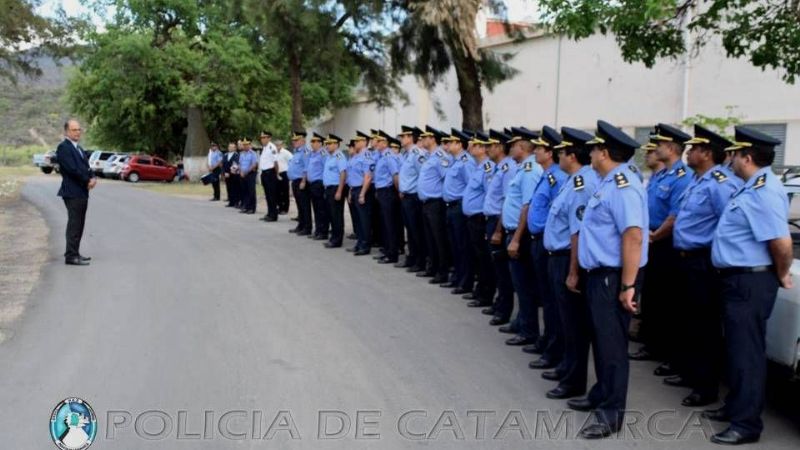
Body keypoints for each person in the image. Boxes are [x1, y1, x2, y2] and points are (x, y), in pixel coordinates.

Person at [705, 126, 792, 446]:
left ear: (748, 157)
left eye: (734, 155)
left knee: (747, 354)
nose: (730, 160)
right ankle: (735, 407)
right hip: (737, 279)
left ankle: (747, 424)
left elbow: (781, 243)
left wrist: (781, 274)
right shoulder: (750, 187)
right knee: (736, 350)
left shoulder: (764, 191)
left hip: (751, 280)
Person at [571, 120, 647, 439]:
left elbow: (632, 235)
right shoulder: (606, 182)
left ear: (604, 152)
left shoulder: (622, 185)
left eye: (593, 149)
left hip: (613, 276)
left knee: (613, 346)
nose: (589, 153)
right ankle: (601, 393)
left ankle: (612, 413)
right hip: (598, 274)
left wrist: (628, 286)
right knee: (602, 342)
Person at [671, 125, 742, 408]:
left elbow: (728, 224)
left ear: (707, 153)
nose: (688, 153)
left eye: (693, 149)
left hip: (704, 261)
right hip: (686, 259)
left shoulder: (721, 183)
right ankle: (692, 374)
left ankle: (706, 386)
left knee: (706, 326)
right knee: (690, 322)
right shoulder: (698, 180)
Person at [634, 124, 693, 382]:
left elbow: (675, 215)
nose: (655, 148)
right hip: (651, 239)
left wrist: (655, 236)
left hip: (664, 242)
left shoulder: (682, 176)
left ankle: (669, 353)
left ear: (670, 148)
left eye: (659, 144)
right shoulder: (661, 175)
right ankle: (653, 344)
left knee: (669, 301)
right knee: (653, 296)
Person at [545, 127, 600, 400]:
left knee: (574, 325)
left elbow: (577, 232)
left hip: (569, 258)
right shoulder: (574, 179)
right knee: (566, 321)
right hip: (561, 258)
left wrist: (573, 271)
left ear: (572, 156)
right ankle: (568, 368)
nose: (558, 157)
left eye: (562, 152)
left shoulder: (582, 184)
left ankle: (573, 381)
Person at [526, 126, 568, 371]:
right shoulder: (546, 174)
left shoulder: (557, 177)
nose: (536, 151)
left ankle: (553, 350)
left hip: (547, 241)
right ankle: (548, 342)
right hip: (540, 241)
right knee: (546, 297)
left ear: (550, 152)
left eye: (539, 148)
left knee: (552, 302)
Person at [499, 127, 543, 347]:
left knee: (524, 285)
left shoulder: (531, 170)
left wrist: (516, 238)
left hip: (521, 235)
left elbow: (527, 205)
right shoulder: (521, 168)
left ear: (523, 147)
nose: (510, 148)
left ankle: (529, 331)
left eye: (514, 144)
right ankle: (521, 321)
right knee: (518, 281)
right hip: (512, 231)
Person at [484, 129, 517, 326]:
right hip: (492, 221)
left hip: (500, 223)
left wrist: (498, 229)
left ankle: (504, 309)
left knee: (503, 270)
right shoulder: (500, 168)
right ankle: (499, 303)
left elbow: (506, 202)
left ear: (499, 147)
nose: (487, 149)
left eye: (490, 146)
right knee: (496, 267)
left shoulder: (509, 168)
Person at [461, 131, 495, 307]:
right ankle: (480, 290)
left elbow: (490, 194)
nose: (469, 146)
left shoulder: (488, 167)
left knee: (483, 258)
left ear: (482, 148)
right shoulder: (478, 166)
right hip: (472, 218)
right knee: (477, 256)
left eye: (473, 145)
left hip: (480, 218)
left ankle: (485, 294)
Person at [56, 119, 96, 266]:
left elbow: (86, 166)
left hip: (81, 192)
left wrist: (92, 177)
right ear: (67, 131)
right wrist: (87, 180)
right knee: (74, 224)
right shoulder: (63, 148)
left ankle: (75, 253)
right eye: (74, 130)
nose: (78, 132)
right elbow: (72, 169)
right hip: (72, 192)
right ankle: (71, 256)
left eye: (79, 129)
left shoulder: (78, 148)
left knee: (79, 224)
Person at [442, 129, 475, 294]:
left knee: (463, 246)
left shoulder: (466, 161)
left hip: (459, 207)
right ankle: (457, 277)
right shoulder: (454, 161)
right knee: (454, 245)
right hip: (450, 207)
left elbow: (470, 186)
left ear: (459, 144)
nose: (448, 145)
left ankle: (465, 281)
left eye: (452, 142)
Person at [417, 126, 451, 284]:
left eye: (425, 137)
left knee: (439, 239)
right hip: (425, 203)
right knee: (430, 238)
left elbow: (446, 179)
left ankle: (442, 271)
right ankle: (433, 267)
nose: (422, 140)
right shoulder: (428, 156)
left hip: (436, 203)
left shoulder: (440, 156)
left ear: (432, 139)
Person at [397, 126, 427, 272]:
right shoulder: (406, 154)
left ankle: (420, 261)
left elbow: (423, 175)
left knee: (416, 231)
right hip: (406, 196)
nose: (401, 139)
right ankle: (412, 257)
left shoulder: (417, 153)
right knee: (410, 229)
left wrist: (414, 191)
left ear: (410, 137)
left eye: (403, 136)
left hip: (414, 197)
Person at [372, 131, 402, 263]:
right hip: (382, 192)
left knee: (390, 224)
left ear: (384, 143)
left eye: (378, 141)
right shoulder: (381, 155)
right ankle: (387, 250)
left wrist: (399, 191)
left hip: (389, 192)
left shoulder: (389, 156)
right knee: (385, 223)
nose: (376, 144)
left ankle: (392, 254)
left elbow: (395, 175)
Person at [349, 133, 374, 255]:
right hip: (354, 189)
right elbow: (352, 176)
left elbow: (368, 176)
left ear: (364, 142)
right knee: (357, 219)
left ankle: (365, 245)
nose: (355, 143)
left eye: (358, 141)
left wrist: (362, 193)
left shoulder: (367, 156)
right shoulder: (355, 156)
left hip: (362, 189)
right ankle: (359, 243)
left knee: (364, 219)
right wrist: (350, 192)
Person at [322, 134, 348, 248]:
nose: (327, 146)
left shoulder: (339, 156)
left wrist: (339, 191)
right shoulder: (329, 156)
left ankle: (337, 240)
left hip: (335, 188)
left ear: (336, 144)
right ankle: (333, 238)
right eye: (326, 143)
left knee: (336, 215)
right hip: (328, 188)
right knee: (331, 215)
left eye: (329, 143)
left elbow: (343, 173)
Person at [288, 131, 312, 235]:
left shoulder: (305, 151)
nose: (294, 142)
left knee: (305, 205)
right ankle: (301, 225)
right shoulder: (296, 152)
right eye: (293, 140)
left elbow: (306, 167)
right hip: (295, 181)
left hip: (301, 181)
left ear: (303, 140)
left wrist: (303, 180)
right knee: (299, 205)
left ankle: (307, 227)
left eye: (297, 140)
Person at [307, 132, 329, 240]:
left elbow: (326, 168)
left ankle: (323, 232)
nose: (312, 144)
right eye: (311, 141)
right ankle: (317, 230)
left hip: (319, 184)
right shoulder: (312, 154)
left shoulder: (323, 153)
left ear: (320, 143)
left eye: (314, 142)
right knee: (315, 208)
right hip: (312, 184)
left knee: (321, 209)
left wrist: (323, 184)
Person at [258, 131, 280, 222]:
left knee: (272, 195)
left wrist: (277, 174)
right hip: (264, 173)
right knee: (267, 195)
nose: (262, 139)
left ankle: (273, 215)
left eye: (264, 137)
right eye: (261, 138)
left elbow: (275, 162)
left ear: (269, 138)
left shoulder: (272, 147)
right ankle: (269, 213)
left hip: (270, 173)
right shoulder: (264, 148)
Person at [238, 138, 259, 214]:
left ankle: (252, 208)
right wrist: (240, 171)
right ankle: (246, 206)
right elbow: (240, 163)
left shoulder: (253, 153)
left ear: (250, 145)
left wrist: (245, 172)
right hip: (242, 174)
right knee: (244, 191)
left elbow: (254, 165)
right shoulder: (242, 153)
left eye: (247, 144)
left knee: (251, 191)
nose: (245, 146)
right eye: (244, 145)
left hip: (250, 174)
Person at [276, 139, 292, 214]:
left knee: (285, 191)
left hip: (284, 173)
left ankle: (285, 209)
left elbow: (292, 161)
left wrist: (289, 170)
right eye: (276, 145)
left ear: (282, 145)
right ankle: (280, 207)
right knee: (278, 192)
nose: (277, 146)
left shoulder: (286, 152)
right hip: (277, 173)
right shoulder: (274, 152)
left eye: (279, 145)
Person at [224, 142, 241, 208]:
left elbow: (235, 164)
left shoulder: (236, 155)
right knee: (229, 188)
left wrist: (230, 172)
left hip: (234, 174)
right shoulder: (225, 155)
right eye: (229, 147)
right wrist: (224, 172)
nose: (230, 148)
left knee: (235, 188)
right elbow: (223, 164)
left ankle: (236, 202)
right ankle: (231, 202)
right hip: (226, 174)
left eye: (232, 147)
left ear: (235, 148)